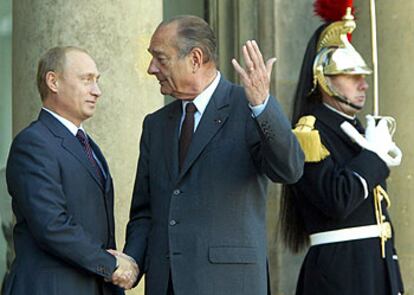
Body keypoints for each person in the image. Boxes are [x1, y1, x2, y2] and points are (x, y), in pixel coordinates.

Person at [119, 15, 304, 295]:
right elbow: (145, 212)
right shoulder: (155, 125)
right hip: (165, 285)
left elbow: (290, 169)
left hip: (229, 284)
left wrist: (264, 106)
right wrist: (132, 261)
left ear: (195, 59)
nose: (151, 69)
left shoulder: (248, 109)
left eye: (160, 58)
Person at [279, 4, 404, 295]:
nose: (364, 84)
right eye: (352, 76)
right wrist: (373, 156)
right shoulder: (308, 134)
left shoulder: (357, 131)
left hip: (374, 268)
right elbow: (338, 200)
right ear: (324, 79)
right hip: (340, 275)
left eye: (363, 75)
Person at [2, 46, 137, 295]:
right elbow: (51, 224)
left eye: (97, 81)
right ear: (53, 81)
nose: (97, 91)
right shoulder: (33, 143)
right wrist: (112, 265)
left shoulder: (88, 145)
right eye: (87, 80)